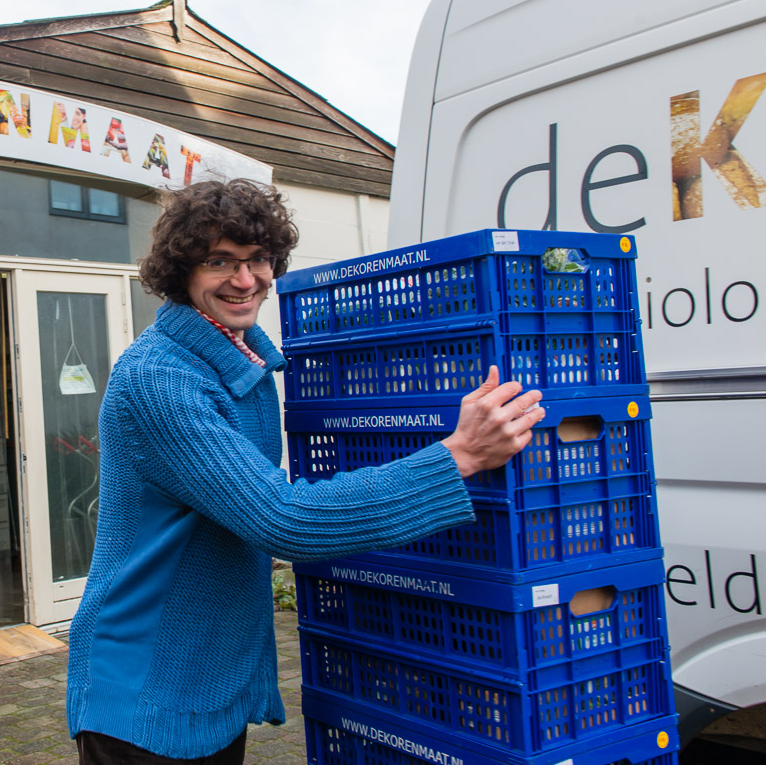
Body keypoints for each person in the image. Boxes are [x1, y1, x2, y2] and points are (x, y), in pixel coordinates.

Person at [65, 179, 546, 764]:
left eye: (258, 259)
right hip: (144, 683)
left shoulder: (242, 357)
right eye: (220, 261)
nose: (245, 280)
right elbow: (285, 519)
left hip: (205, 670)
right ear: (181, 272)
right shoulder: (161, 380)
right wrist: (460, 456)